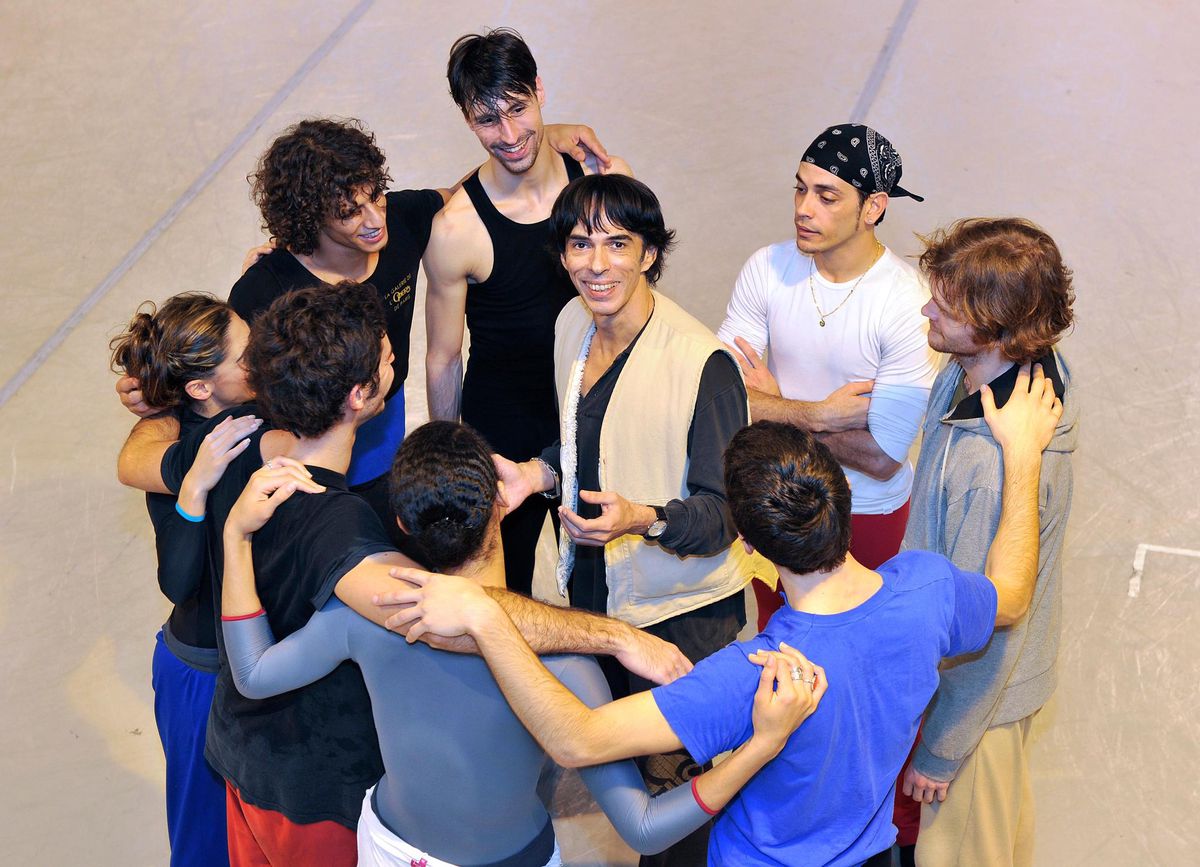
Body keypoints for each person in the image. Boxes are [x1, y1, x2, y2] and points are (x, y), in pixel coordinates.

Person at [384, 363, 1063, 866]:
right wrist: (1024, 454)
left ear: (748, 545)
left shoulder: (756, 674)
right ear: (839, 498)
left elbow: (577, 741)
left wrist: (484, 614)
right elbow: (1012, 595)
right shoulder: (927, 588)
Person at [116, 281, 696, 867]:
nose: (397, 361)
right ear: (359, 395)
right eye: (389, 359)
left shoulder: (233, 438)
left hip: (241, 763)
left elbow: (252, 669)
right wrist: (616, 637)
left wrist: (228, 525)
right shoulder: (341, 531)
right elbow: (453, 615)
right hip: (312, 794)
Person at [217, 420, 818, 867]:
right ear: (501, 502)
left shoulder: (366, 616)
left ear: (401, 523)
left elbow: (252, 674)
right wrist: (761, 745)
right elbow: (644, 827)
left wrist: (235, 537)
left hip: (389, 849)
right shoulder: (567, 666)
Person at [461, 174, 768, 865]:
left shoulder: (703, 364)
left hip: (679, 616)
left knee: (677, 809)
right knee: (618, 782)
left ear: (650, 254)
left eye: (617, 244)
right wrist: (538, 473)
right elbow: (588, 440)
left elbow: (724, 514)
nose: (595, 264)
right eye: (579, 244)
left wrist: (642, 518)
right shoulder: (571, 325)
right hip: (595, 598)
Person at [114, 116, 609, 535]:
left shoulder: (404, 221)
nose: (374, 220)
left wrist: (538, 142)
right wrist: (159, 395)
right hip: (310, 447)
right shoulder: (264, 291)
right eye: (349, 213)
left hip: (382, 431)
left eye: (376, 196)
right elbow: (216, 371)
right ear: (309, 219)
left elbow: (469, 198)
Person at [424, 28, 632, 596]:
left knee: (604, 590)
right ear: (468, 119)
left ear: (540, 90)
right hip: (501, 431)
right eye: (489, 120)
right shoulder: (456, 229)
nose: (511, 135)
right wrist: (451, 454)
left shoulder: (597, 183)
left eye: (518, 109)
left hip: (591, 413)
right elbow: (443, 358)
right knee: (499, 596)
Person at [899, 218, 1077, 867]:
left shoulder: (989, 466)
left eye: (945, 308)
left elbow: (987, 623)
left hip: (978, 708)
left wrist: (943, 746)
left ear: (996, 329)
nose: (927, 311)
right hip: (987, 698)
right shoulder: (985, 372)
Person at [717, 122, 937, 624]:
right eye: (800, 189)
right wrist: (817, 415)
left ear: (873, 207)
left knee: (860, 650)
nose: (804, 208)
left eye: (827, 196)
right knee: (779, 645)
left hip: (867, 513)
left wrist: (773, 413)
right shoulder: (767, 268)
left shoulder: (906, 303)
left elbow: (881, 457)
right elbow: (719, 396)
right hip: (773, 499)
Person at [109, 293, 261, 867]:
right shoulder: (180, 457)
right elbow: (177, 581)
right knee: (206, 841)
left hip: (265, 664)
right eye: (244, 355)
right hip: (201, 673)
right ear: (200, 387)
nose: (261, 356)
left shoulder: (268, 411)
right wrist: (194, 489)